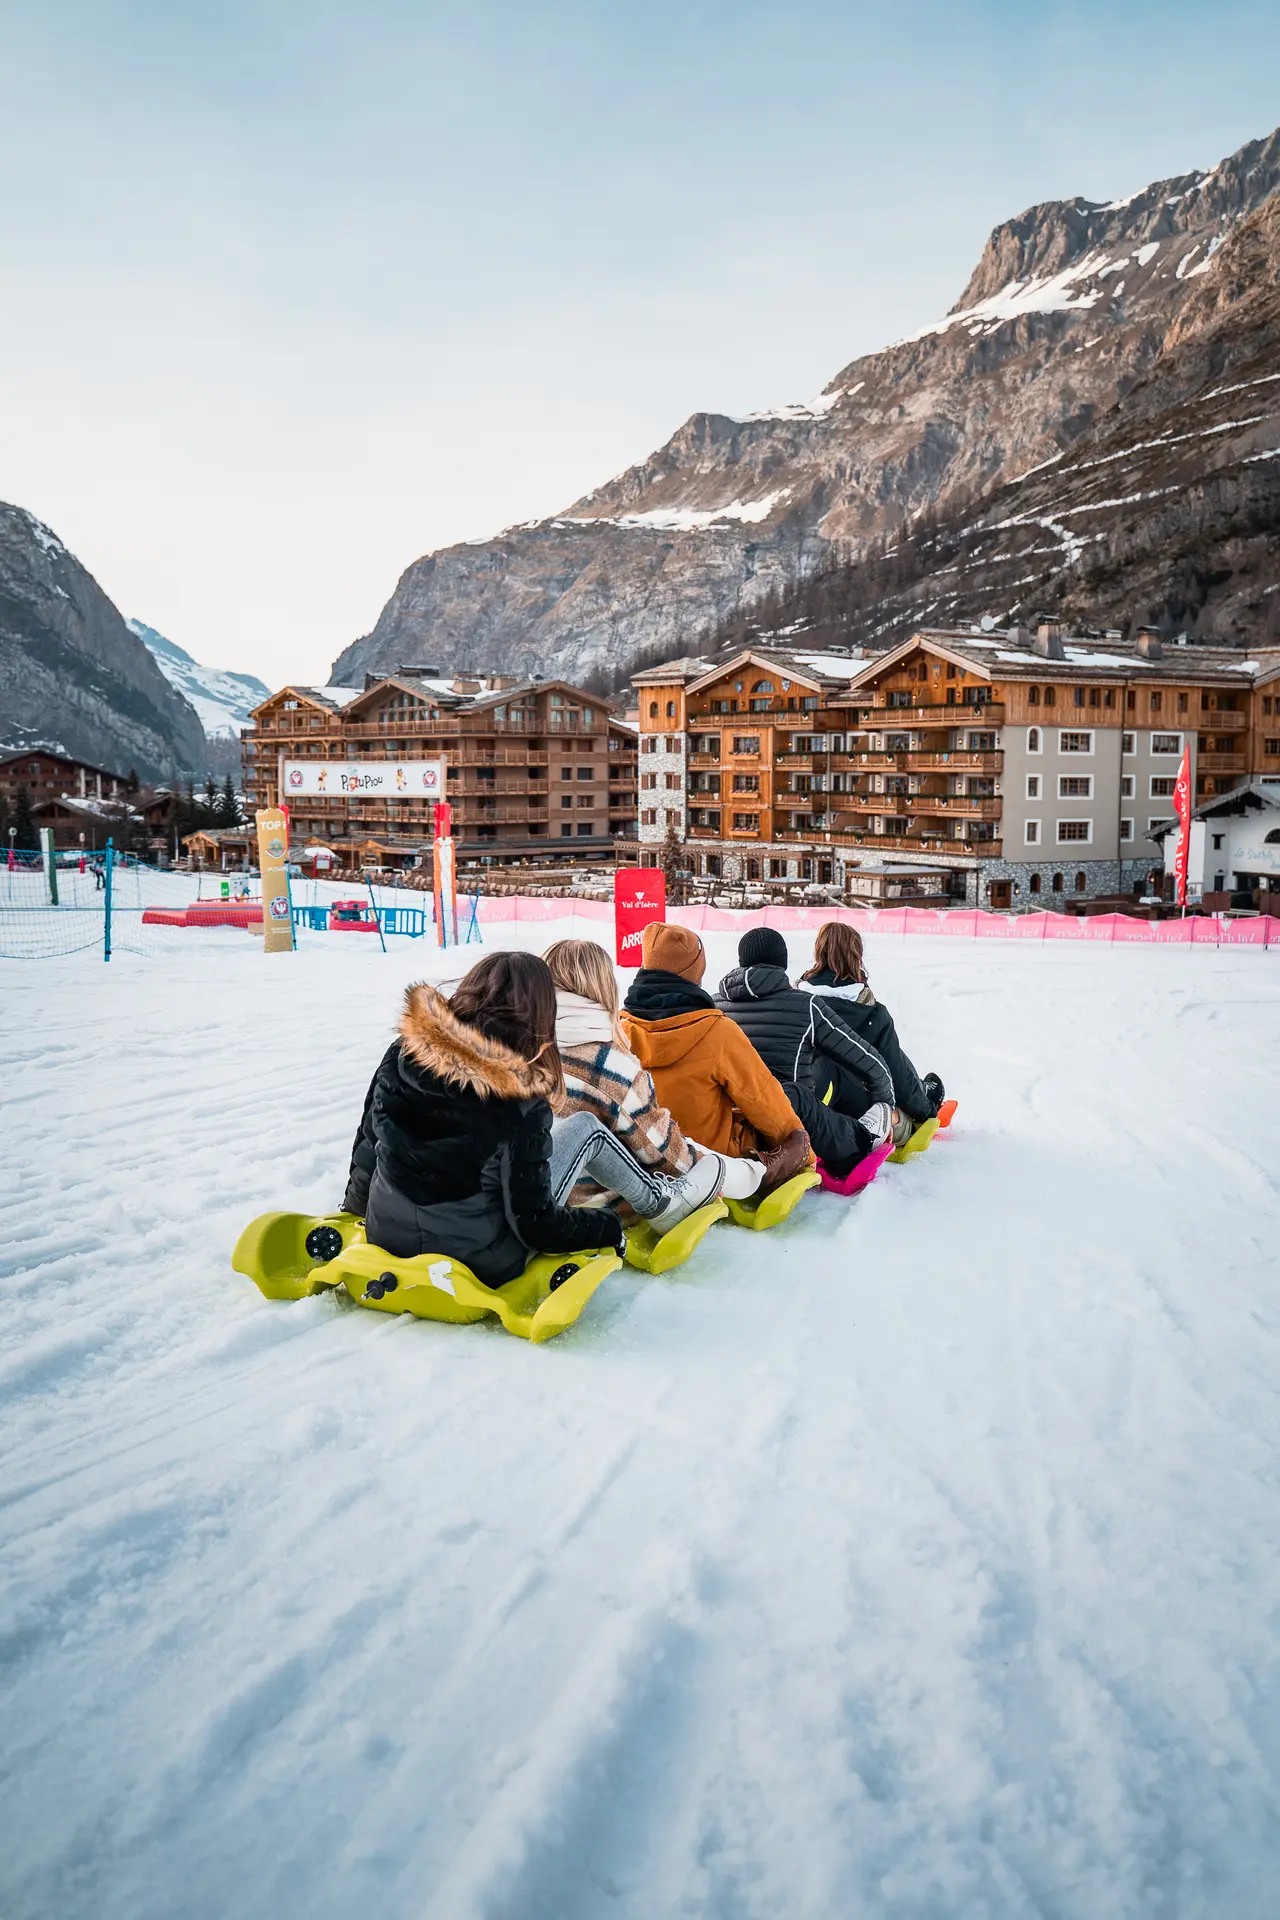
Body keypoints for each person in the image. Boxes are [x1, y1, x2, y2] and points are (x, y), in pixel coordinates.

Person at [341, 953, 724, 1285]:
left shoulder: (402, 1052)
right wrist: (604, 1228)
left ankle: (655, 1200)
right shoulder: (521, 1097)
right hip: (481, 1257)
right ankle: (659, 1204)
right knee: (585, 1128)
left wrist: (356, 1208)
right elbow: (536, 1225)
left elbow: (369, 1144)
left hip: (386, 1232)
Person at [545, 936, 781, 1205]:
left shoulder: (520, 1050)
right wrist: (750, 1175)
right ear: (603, 986)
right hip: (596, 1207)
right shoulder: (609, 1065)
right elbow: (669, 1158)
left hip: (525, 1199)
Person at [620, 922, 811, 1182]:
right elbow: (766, 1104)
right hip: (712, 1162)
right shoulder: (716, 1032)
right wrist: (802, 1153)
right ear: (694, 973)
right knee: (790, 1105)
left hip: (640, 1159)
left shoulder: (619, 1029)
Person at [714, 927, 896, 1177]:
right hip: (789, 1126)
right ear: (783, 962)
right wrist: (885, 1101)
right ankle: (865, 1137)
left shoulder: (713, 1007)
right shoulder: (805, 1006)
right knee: (804, 1095)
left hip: (731, 1126)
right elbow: (866, 1060)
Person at [797, 922, 943, 1141]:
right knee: (890, 1061)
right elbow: (897, 1077)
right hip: (861, 1117)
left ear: (819, 951)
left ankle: (921, 1089)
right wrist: (927, 1111)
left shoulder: (795, 1006)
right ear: (856, 957)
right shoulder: (871, 1013)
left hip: (806, 1107)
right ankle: (922, 1093)